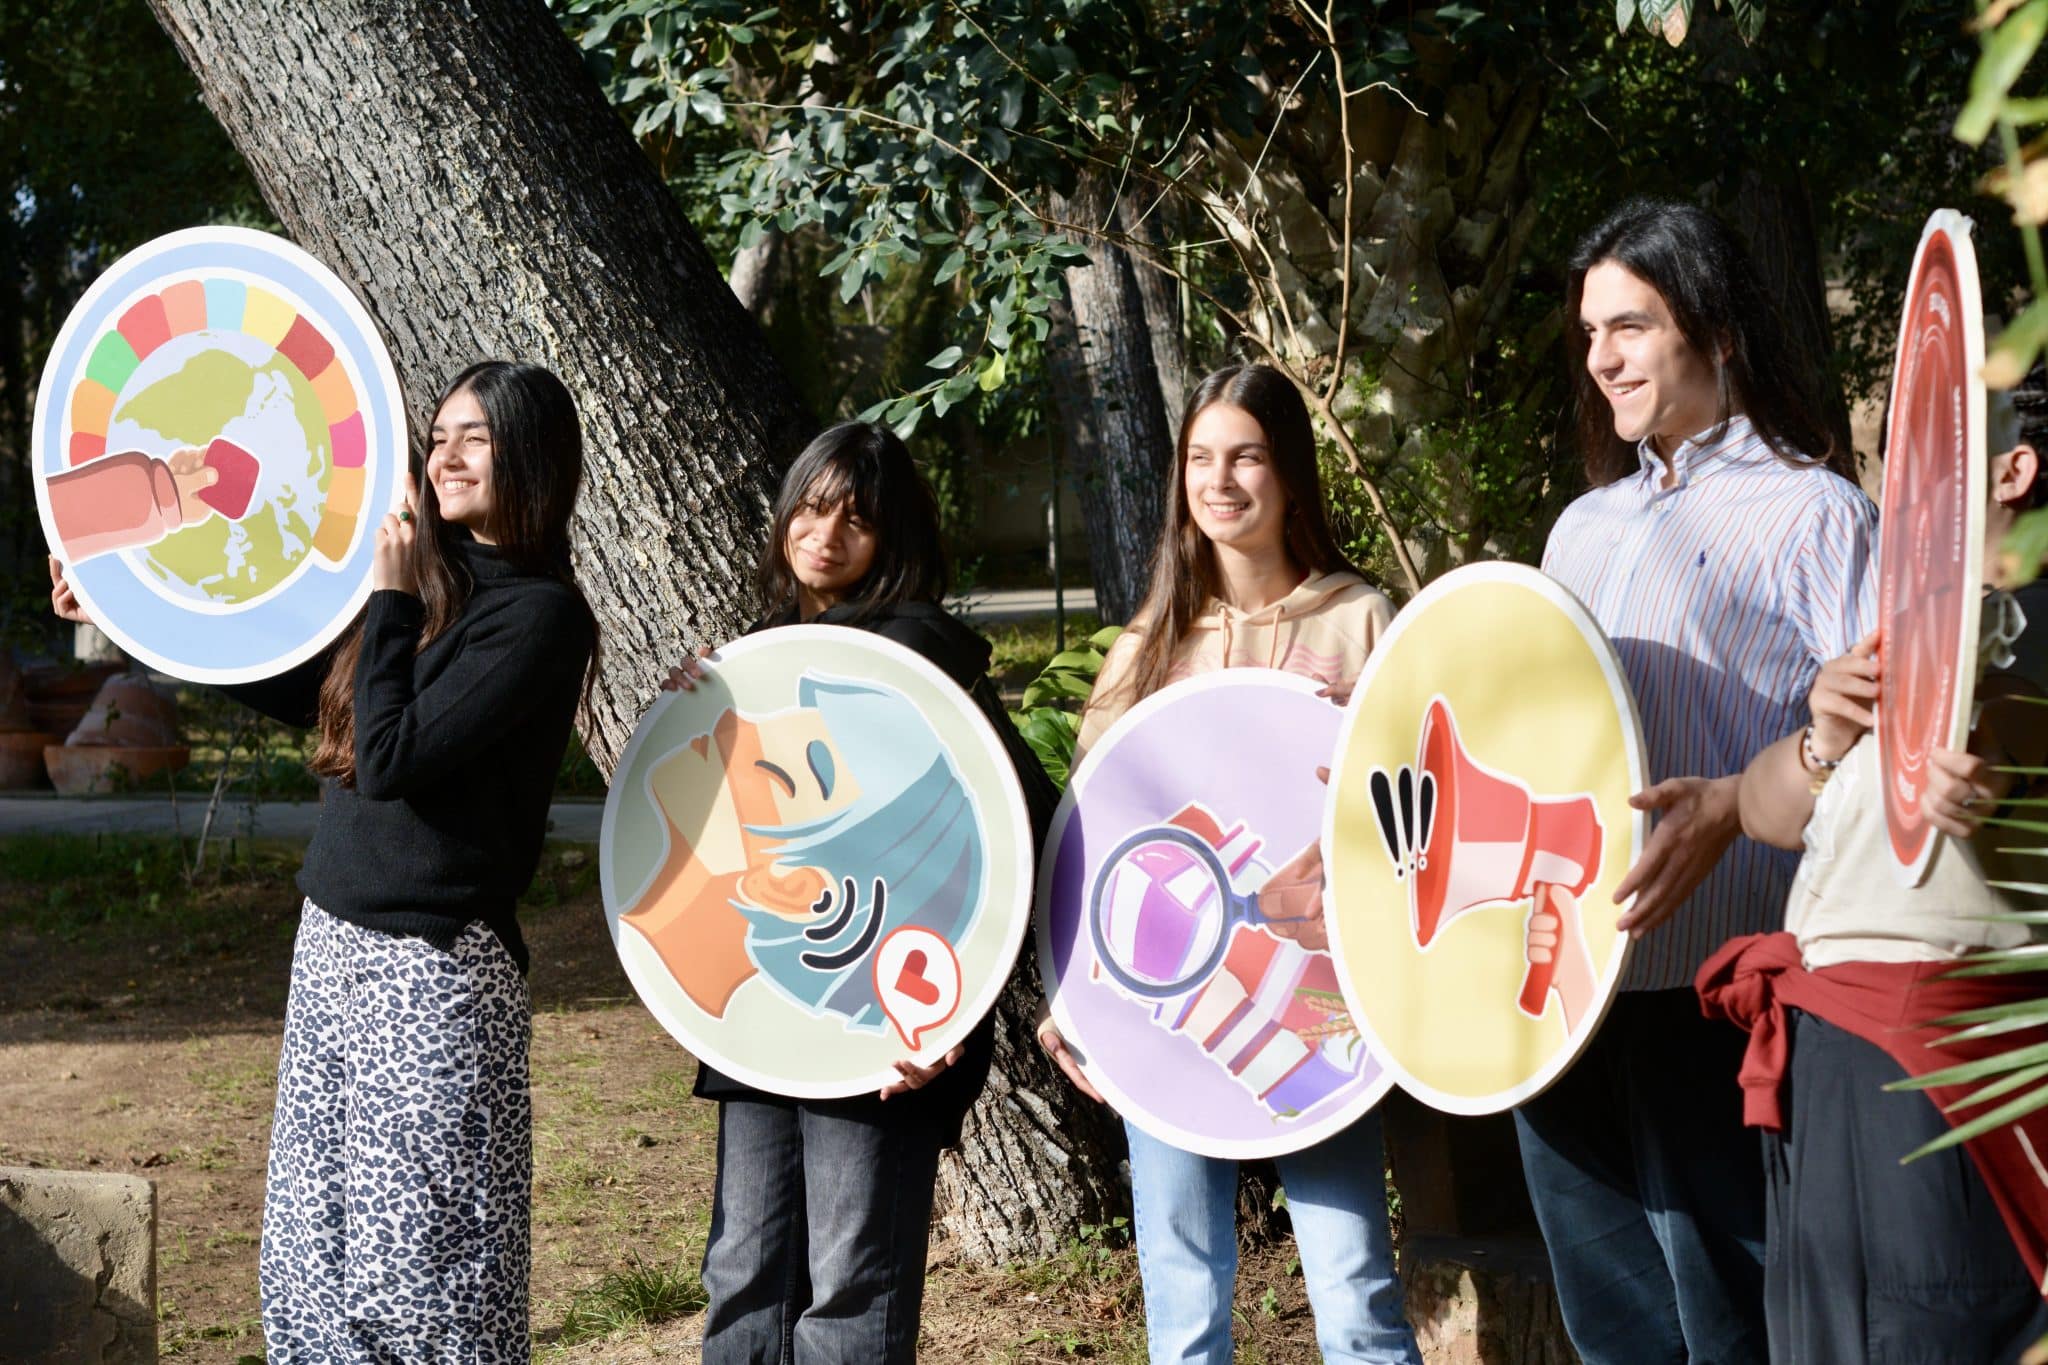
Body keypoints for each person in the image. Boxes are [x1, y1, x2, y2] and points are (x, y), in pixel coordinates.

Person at [52, 359, 598, 1363]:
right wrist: (124, 609)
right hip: (333, 944)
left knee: (423, 1267)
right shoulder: (428, 587)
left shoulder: (539, 617)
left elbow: (388, 759)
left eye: (475, 438)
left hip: (434, 968)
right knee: (314, 1251)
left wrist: (389, 601)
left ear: (533, 456)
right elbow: (309, 690)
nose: (446, 457)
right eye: (439, 437)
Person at [1516, 198, 1877, 1364]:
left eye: (1629, 326)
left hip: (1722, 996)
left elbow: (1880, 758)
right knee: (1613, 1336)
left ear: (1716, 332)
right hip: (1559, 996)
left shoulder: (1816, 515)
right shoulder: (1579, 529)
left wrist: (1737, 801)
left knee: (1735, 1330)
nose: (1601, 358)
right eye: (1588, 333)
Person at [1036, 363, 1422, 1365]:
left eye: (1245, 456)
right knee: (1184, 1311)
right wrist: (1068, 998)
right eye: (1200, 458)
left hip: (1325, 1010)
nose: (1219, 480)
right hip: (1168, 1014)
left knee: (1355, 1297)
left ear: (1289, 472)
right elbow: (1092, 839)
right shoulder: (1149, 643)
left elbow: (1416, 818)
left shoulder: (1362, 620)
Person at [662, 420, 1049, 1364]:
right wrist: (693, 719)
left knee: (846, 1286)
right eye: (811, 506)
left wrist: (952, 1008)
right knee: (745, 1273)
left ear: (893, 537)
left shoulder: (919, 659)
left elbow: (1017, 828)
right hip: (767, 1012)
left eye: (857, 518)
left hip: (880, 1025)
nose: (825, 533)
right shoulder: (762, 662)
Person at [1697, 365, 2048, 1362]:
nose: (1896, 476)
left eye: (1927, 445)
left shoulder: (2025, 629)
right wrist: (1823, 734)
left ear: (2011, 469)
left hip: (1940, 1087)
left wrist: (1981, 775)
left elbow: (2007, 734)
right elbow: (1764, 810)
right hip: (1827, 1072)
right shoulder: (1905, 630)